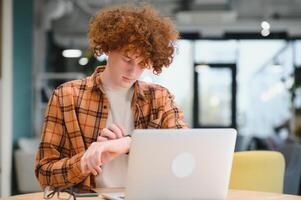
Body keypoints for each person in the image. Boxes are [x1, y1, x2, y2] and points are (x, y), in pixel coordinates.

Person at [35, 3, 187, 191]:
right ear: (108, 48)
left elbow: (183, 149)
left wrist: (127, 143)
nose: (133, 71)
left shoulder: (159, 98)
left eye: (142, 64)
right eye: (127, 59)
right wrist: (86, 162)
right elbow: (44, 173)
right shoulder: (66, 97)